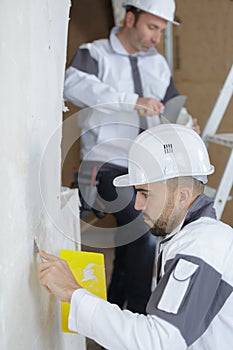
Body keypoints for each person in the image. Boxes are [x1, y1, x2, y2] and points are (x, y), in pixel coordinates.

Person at [39, 124, 233, 349]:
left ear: (182, 195)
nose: (138, 205)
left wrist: (72, 293)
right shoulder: (191, 237)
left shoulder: (201, 244)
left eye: (144, 194)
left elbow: (160, 342)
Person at [63, 0, 200, 314]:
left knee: (157, 226)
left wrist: (184, 122)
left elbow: (170, 107)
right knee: (143, 225)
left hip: (147, 169)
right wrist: (131, 101)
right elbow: (71, 85)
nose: (156, 37)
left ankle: (118, 310)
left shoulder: (158, 65)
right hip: (105, 167)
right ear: (129, 18)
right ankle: (138, 315)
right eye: (151, 27)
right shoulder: (95, 54)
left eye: (161, 31)